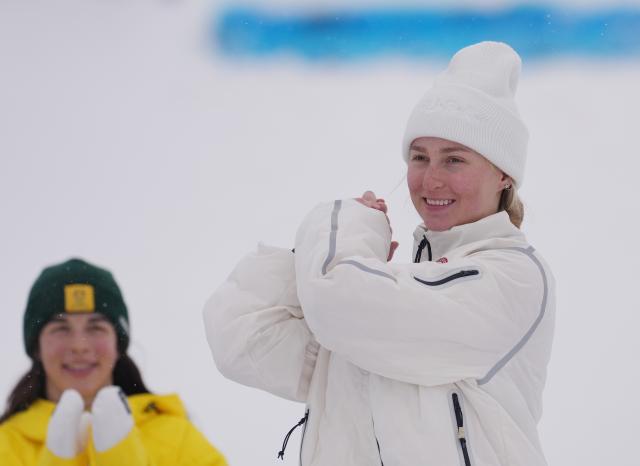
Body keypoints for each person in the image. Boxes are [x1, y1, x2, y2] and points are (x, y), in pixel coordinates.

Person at [204, 41, 555, 466]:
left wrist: (343, 230)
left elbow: (338, 302)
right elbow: (239, 339)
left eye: (455, 160)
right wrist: (317, 260)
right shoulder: (380, 311)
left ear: (503, 175)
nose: (431, 179)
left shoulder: (513, 277)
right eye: (419, 157)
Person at [0, 258, 227, 466]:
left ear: (118, 344)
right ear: (37, 346)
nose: (79, 345)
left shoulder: (177, 438)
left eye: (95, 327)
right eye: (60, 328)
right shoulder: (7, 445)